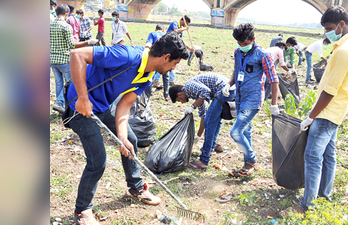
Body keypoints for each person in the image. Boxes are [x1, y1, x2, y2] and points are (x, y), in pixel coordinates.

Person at [65, 32, 189, 225]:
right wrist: (82, 99)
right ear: (166, 57)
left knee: (131, 140)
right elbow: (77, 55)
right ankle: (82, 211)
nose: (173, 68)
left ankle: (136, 187)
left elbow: (124, 104)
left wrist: (122, 137)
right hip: (80, 106)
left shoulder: (149, 75)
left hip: (103, 106)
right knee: (98, 161)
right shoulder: (127, 55)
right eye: (174, 63)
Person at [283, 5, 348, 217]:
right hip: (337, 111)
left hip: (327, 112)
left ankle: (307, 206)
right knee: (329, 155)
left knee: (313, 156)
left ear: (341, 25)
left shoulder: (344, 52)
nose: (326, 33)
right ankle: (324, 195)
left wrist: (310, 117)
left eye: (329, 27)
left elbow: (330, 91)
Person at [226, 23, 279, 177]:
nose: (242, 46)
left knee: (235, 132)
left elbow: (274, 79)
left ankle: (252, 159)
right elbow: (236, 71)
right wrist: (228, 85)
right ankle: (248, 165)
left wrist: (274, 104)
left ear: (253, 39)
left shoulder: (263, 55)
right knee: (245, 131)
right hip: (239, 97)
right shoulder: (237, 52)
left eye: (245, 43)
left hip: (253, 99)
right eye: (239, 43)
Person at [168, 73, 235, 169]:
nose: (182, 102)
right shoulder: (197, 95)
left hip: (224, 89)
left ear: (179, 94)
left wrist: (192, 106)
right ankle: (210, 148)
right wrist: (198, 136)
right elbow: (204, 115)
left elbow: (206, 91)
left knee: (210, 123)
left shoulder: (189, 86)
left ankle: (204, 160)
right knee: (215, 120)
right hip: (229, 89)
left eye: (179, 100)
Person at [50, 4, 98, 114]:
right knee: (70, 84)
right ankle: (68, 107)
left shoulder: (50, 25)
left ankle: (60, 104)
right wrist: (88, 42)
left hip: (52, 59)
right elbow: (72, 44)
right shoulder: (66, 26)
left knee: (58, 84)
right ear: (66, 14)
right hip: (64, 59)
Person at [166, 15, 194, 85]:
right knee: (166, 61)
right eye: (187, 23)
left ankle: (171, 80)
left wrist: (188, 48)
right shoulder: (175, 23)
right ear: (185, 21)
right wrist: (185, 28)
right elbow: (176, 31)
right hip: (167, 44)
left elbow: (181, 40)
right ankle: (157, 79)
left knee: (171, 62)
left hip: (174, 47)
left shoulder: (181, 29)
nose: (186, 25)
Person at [145, 24, 170, 99]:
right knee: (166, 77)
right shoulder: (167, 35)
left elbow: (148, 45)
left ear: (156, 29)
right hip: (164, 58)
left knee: (150, 76)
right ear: (163, 30)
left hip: (155, 58)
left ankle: (148, 95)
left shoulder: (152, 34)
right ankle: (166, 95)